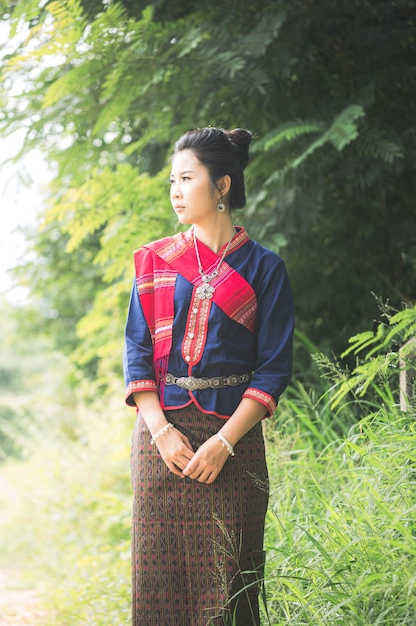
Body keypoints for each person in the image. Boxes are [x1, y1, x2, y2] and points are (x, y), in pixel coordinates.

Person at [123, 126, 295, 626]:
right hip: (162, 443)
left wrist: (224, 442)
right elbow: (137, 352)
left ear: (221, 185)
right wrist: (159, 431)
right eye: (171, 180)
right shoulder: (156, 261)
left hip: (234, 443)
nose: (175, 190)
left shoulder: (265, 268)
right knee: (159, 584)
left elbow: (273, 369)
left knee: (228, 584)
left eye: (187, 178)